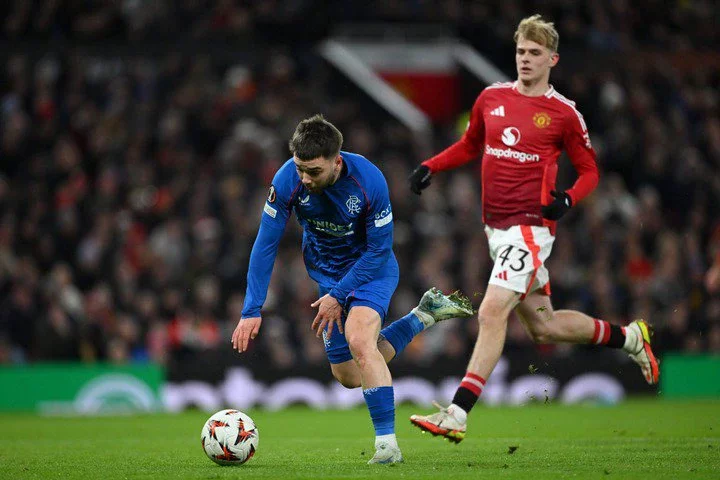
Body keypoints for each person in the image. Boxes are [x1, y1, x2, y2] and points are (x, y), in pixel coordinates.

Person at [407, 15, 659, 443]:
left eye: (535, 53)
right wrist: (432, 165)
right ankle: (630, 336)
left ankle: (457, 413)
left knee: (490, 311)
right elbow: (470, 145)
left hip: (530, 230)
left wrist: (567, 200)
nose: (525, 59)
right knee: (544, 326)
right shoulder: (490, 98)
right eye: (522, 51)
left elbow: (589, 172)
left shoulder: (564, 114)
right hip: (496, 230)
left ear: (552, 59)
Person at [231, 114, 474, 463]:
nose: (304, 178)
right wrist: (251, 309)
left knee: (360, 340)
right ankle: (423, 315)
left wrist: (338, 297)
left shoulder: (369, 181)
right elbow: (264, 244)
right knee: (348, 375)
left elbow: (378, 251)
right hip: (327, 275)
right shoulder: (287, 179)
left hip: (371, 270)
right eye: (300, 168)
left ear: (336, 161)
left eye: (313, 171)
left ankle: (387, 446)